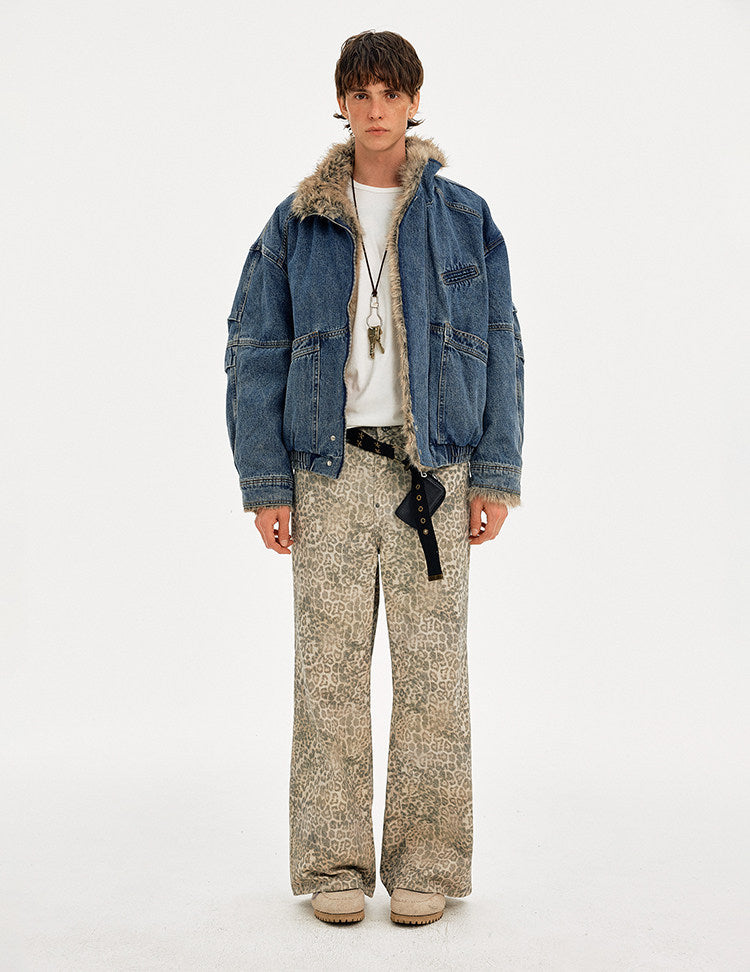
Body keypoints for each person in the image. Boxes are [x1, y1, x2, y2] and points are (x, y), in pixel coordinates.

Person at [223, 30, 524, 926]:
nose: (376, 108)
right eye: (361, 92)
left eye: (391, 92)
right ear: (342, 103)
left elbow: (503, 345)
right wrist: (266, 484)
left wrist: (494, 474)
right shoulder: (298, 220)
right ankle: (334, 865)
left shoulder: (464, 217)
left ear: (414, 100)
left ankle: (428, 863)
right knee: (328, 675)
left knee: (434, 676)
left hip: (435, 470)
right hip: (328, 470)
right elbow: (254, 350)